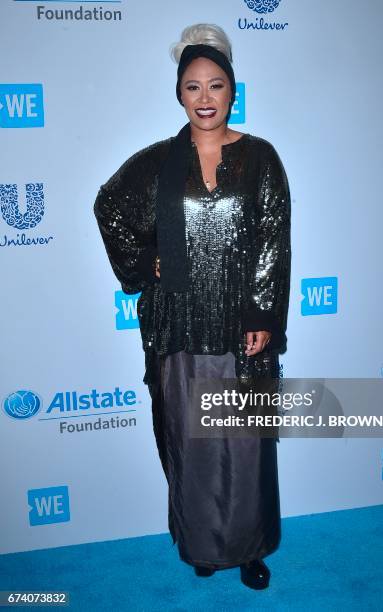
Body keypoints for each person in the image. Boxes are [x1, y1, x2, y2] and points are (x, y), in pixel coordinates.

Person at [93, 23, 291, 590]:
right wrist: (147, 257)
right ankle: (203, 543)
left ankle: (249, 547)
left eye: (216, 85)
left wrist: (261, 317)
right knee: (193, 440)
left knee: (246, 444)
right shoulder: (158, 163)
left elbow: (273, 241)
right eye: (193, 87)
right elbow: (109, 208)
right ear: (179, 94)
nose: (206, 98)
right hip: (177, 326)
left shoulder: (261, 159)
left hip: (238, 330)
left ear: (233, 91)